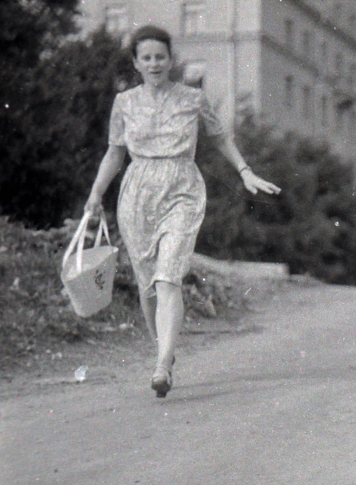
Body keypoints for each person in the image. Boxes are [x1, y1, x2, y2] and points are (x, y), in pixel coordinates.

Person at [84, 25, 280, 398]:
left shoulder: (192, 98)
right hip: (137, 193)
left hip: (182, 189)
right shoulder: (124, 103)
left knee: (168, 276)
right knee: (147, 285)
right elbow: (115, 152)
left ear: (171, 60)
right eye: (147, 58)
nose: (155, 63)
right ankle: (165, 351)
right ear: (136, 63)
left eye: (161, 56)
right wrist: (96, 194)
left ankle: (161, 365)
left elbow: (220, 136)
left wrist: (245, 171)